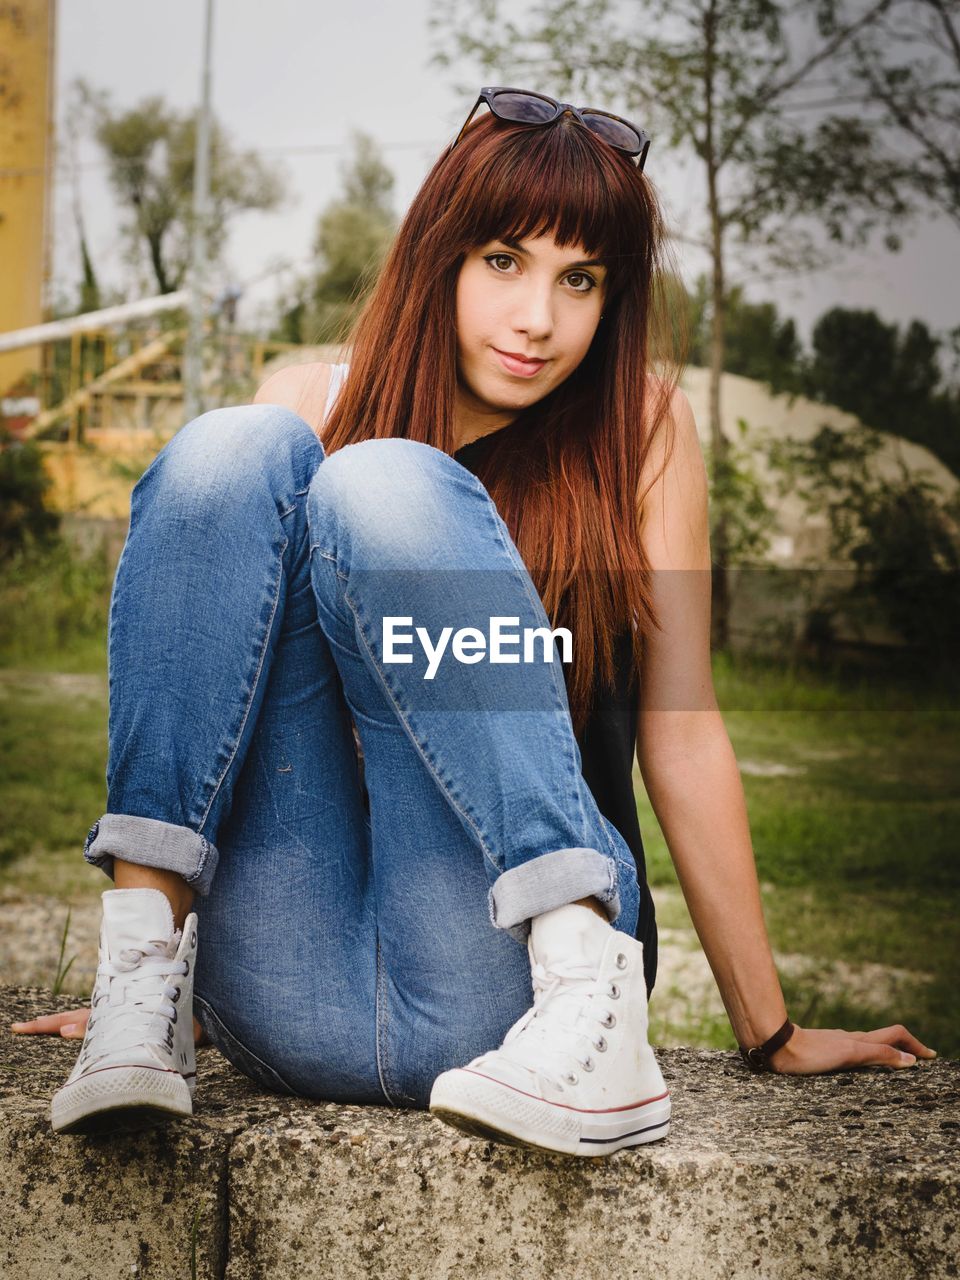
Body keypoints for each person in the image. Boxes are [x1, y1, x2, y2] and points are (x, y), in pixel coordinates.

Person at [11, 88, 936, 1157]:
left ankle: (593, 1000)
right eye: (504, 259)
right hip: (285, 992)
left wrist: (768, 1028)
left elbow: (681, 734)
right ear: (439, 255)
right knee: (229, 447)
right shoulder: (305, 402)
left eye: (579, 278)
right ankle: (143, 978)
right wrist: (178, 944)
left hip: (509, 980)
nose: (537, 317)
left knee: (384, 484)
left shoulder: (643, 430)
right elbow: (226, 707)